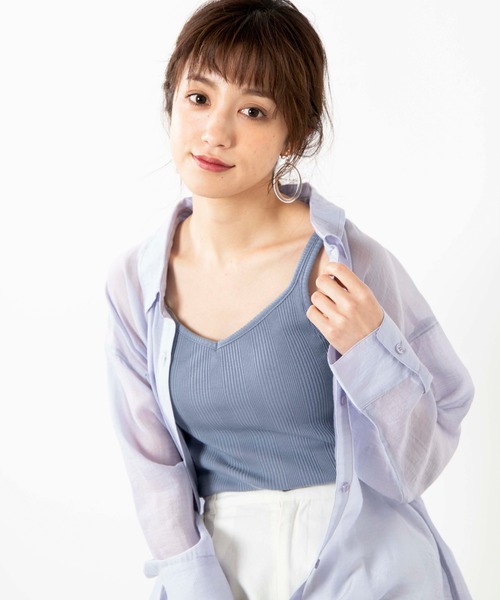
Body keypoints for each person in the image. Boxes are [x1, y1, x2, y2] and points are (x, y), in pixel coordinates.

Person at [105, 1, 474, 598]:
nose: (215, 132)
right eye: (199, 97)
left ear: (294, 135)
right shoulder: (136, 285)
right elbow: (154, 471)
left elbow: (418, 462)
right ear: (171, 100)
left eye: (253, 110)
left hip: (368, 573)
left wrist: (372, 351)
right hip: (224, 575)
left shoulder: (344, 265)